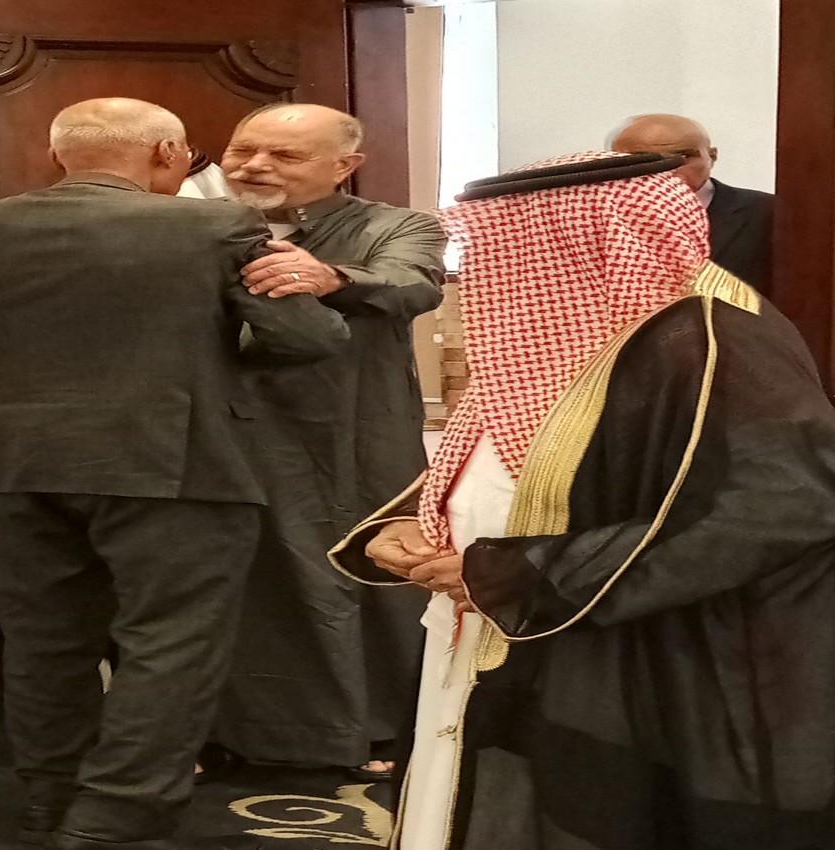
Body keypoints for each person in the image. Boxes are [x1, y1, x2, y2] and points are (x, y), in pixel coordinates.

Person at [330, 150, 835, 849]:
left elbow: (782, 507)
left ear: (582, 239)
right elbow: (518, 458)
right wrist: (412, 524)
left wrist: (528, 572)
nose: (486, 265)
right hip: (498, 622)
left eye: (508, 241)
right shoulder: (574, 336)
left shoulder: (709, 340)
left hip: (628, 651)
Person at [0, 97, 350, 850]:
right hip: (176, 463)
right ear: (168, 154)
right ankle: (116, 820)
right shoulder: (215, 226)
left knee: (45, 644)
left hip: (13, 465)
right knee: (169, 644)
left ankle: (49, 804)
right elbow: (306, 338)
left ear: (58, 155)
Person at [205, 103, 446, 780]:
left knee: (363, 571)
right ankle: (235, 732)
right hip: (225, 430)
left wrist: (332, 278)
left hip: (350, 430)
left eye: (284, 155)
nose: (255, 166)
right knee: (240, 584)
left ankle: (379, 728)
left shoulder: (396, 226)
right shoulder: (194, 225)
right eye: (243, 150)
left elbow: (414, 285)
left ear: (346, 166)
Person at [611, 113, 774, 295]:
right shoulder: (598, 219)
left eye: (683, 156)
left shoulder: (769, 212)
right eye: (644, 159)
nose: (668, 169)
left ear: (712, 157)